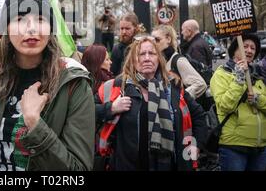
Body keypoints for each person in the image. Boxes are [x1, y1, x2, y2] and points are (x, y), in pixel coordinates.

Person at [0, 0, 94, 171]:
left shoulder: (74, 86)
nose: (32, 28)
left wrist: (35, 123)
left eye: (40, 19)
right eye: (19, 19)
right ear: (6, 30)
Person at [96, 36, 206, 171]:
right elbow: (88, 113)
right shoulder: (116, 86)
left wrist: (196, 146)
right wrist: (111, 108)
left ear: (159, 59)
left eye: (152, 53)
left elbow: (199, 116)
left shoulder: (173, 87)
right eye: (141, 54)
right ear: (133, 60)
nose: (147, 58)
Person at [210, 33, 266, 171]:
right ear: (234, 50)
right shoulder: (221, 74)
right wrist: (239, 79)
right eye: (245, 46)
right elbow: (225, 105)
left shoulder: (257, 77)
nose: (249, 50)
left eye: (253, 48)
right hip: (234, 147)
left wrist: (258, 100)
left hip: (260, 147)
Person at [152, 25, 206, 99]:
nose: (154, 43)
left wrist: (178, 100)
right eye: (152, 40)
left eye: (157, 40)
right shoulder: (158, 61)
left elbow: (200, 84)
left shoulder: (178, 60)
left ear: (168, 39)